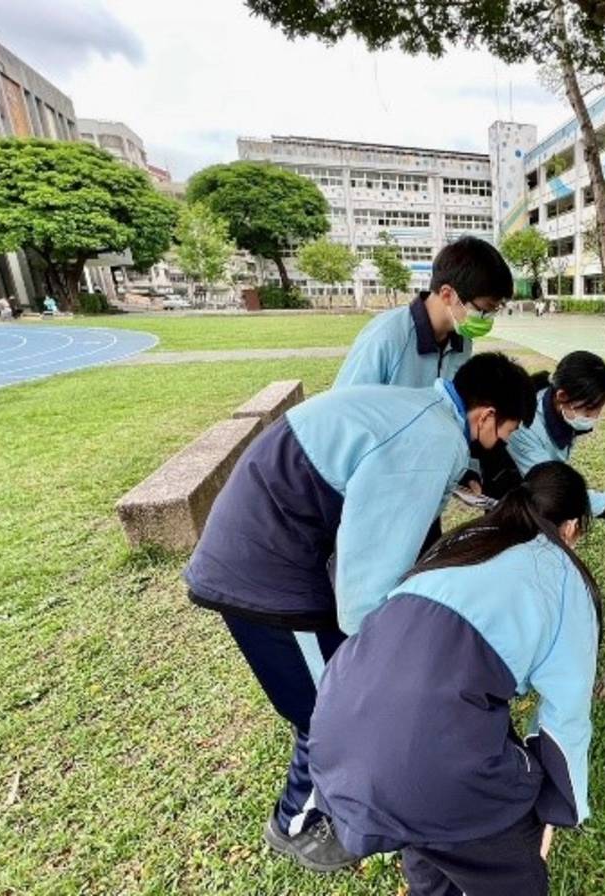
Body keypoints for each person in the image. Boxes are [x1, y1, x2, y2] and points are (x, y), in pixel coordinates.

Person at [183, 352, 537, 873]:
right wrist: (393, 650)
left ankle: (324, 802)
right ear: (484, 416)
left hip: (275, 549)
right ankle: (296, 826)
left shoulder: (424, 412)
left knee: (339, 691)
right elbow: (366, 585)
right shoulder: (432, 440)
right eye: (505, 432)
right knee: (333, 706)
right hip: (265, 571)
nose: (501, 445)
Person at [309, 462, 601, 896]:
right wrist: (559, 806)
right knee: (511, 871)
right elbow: (566, 718)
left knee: (428, 837)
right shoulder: (562, 577)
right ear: (572, 527)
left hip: (334, 735)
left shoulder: (462, 543)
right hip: (428, 764)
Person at [480, 350, 605, 522]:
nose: (593, 418)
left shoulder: (556, 405)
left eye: (598, 410)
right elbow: (552, 487)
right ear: (562, 396)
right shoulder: (525, 428)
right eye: (588, 410)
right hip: (510, 500)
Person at [333, 236, 509, 390]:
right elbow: (344, 408)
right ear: (447, 294)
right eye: (485, 309)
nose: (489, 317)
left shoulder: (462, 341)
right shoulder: (387, 336)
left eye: (496, 310)